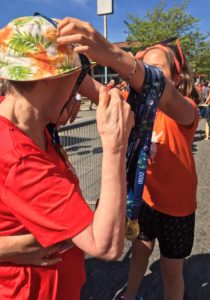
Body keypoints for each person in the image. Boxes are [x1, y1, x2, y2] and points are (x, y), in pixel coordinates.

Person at [56, 19, 199, 300]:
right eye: (140, 67)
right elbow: (87, 86)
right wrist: (73, 57)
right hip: (145, 201)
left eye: (154, 69)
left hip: (178, 209)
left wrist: (116, 56)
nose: (140, 76)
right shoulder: (129, 107)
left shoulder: (186, 110)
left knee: (172, 272)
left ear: (178, 79)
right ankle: (129, 296)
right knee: (139, 254)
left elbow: (163, 92)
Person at [0, 15, 134, 299]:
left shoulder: (23, 123)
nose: (78, 88)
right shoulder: (20, 159)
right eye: (76, 75)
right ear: (49, 79)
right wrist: (115, 146)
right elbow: (105, 246)